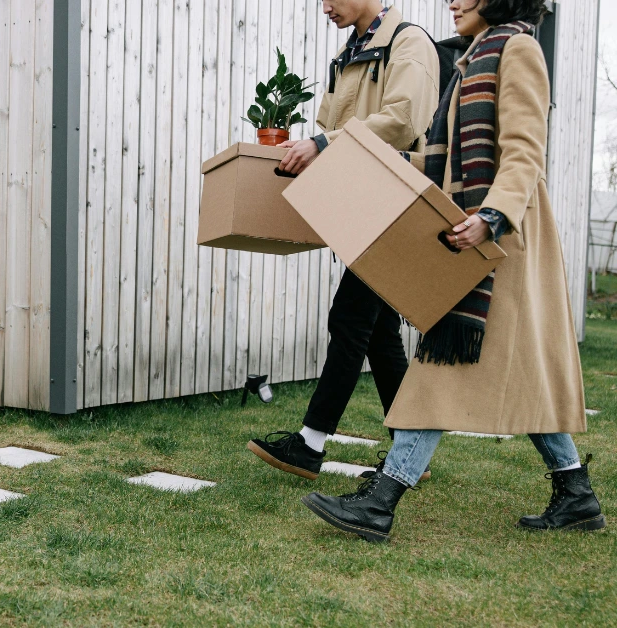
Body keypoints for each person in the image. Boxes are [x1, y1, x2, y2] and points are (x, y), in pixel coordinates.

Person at [301, 0, 605, 543]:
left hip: (499, 242)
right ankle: (576, 491)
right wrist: (369, 170)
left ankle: (383, 498)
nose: (452, 1)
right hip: (476, 233)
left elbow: (523, 153)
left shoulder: (519, 49)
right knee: (521, 367)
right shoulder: (472, 58)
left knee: (443, 358)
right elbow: (441, 161)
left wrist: (492, 216)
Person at [248, 0, 441, 480]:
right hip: (363, 202)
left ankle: (310, 444)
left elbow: (402, 121)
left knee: (351, 318)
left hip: (399, 200)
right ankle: (410, 454)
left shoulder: (408, 42)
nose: (324, 7)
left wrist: (325, 143)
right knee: (377, 333)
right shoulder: (351, 52)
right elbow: (328, 126)